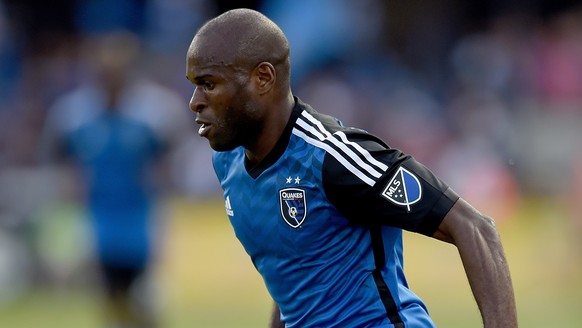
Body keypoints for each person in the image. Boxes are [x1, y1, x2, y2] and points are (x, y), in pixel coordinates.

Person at [185, 8, 517, 328]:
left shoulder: (332, 157)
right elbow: (294, 277)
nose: (195, 100)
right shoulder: (228, 161)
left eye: (209, 84)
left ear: (262, 78)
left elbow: (475, 227)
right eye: (194, 85)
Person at [41, 30, 188, 328]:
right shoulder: (75, 114)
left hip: (142, 218)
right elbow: (55, 154)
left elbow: (175, 152)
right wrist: (70, 187)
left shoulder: (153, 112)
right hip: (100, 219)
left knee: (144, 300)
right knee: (112, 300)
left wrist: (162, 180)